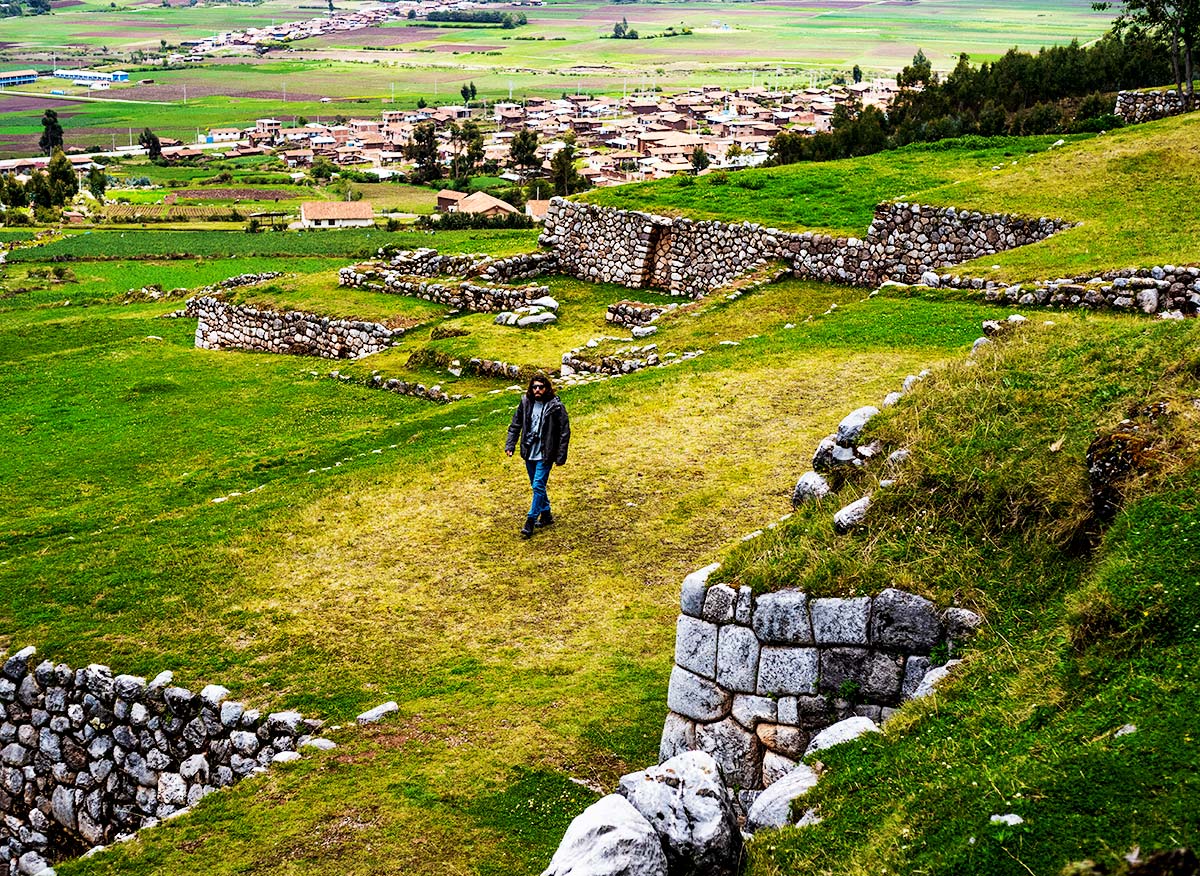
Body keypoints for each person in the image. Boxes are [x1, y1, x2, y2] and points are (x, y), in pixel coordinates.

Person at [505, 373, 570, 539]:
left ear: (547, 388)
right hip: (529, 451)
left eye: (541, 387)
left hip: (545, 453)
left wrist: (561, 455)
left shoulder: (556, 406)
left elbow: (564, 431)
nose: (537, 390)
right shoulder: (526, 403)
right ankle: (546, 514)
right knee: (537, 485)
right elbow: (515, 425)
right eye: (534, 387)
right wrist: (510, 445)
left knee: (538, 485)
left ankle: (530, 520)